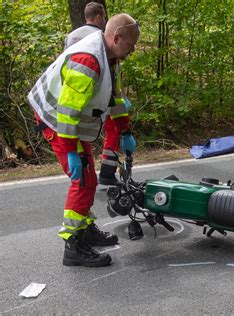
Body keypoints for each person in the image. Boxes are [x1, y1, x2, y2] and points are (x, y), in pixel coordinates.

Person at [28, 13, 140, 267]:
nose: (133, 50)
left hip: (69, 123)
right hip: (56, 120)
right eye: (131, 45)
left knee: (87, 179)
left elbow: (116, 101)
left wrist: (125, 131)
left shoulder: (112, 60)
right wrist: (70, 151)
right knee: (84, 181)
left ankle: (86, 229)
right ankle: (73, 244)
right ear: (116, 37)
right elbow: (67, 110)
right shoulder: (88, 60)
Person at [64, 2, 133, 186]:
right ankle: (108, 172)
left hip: (79, 102)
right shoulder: (103, 40)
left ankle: (93, 171)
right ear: (99, 16)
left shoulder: (72, 36)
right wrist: (123, 99)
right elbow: (113, 77)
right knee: (113, 132)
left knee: (80, 144)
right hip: (101, 99)